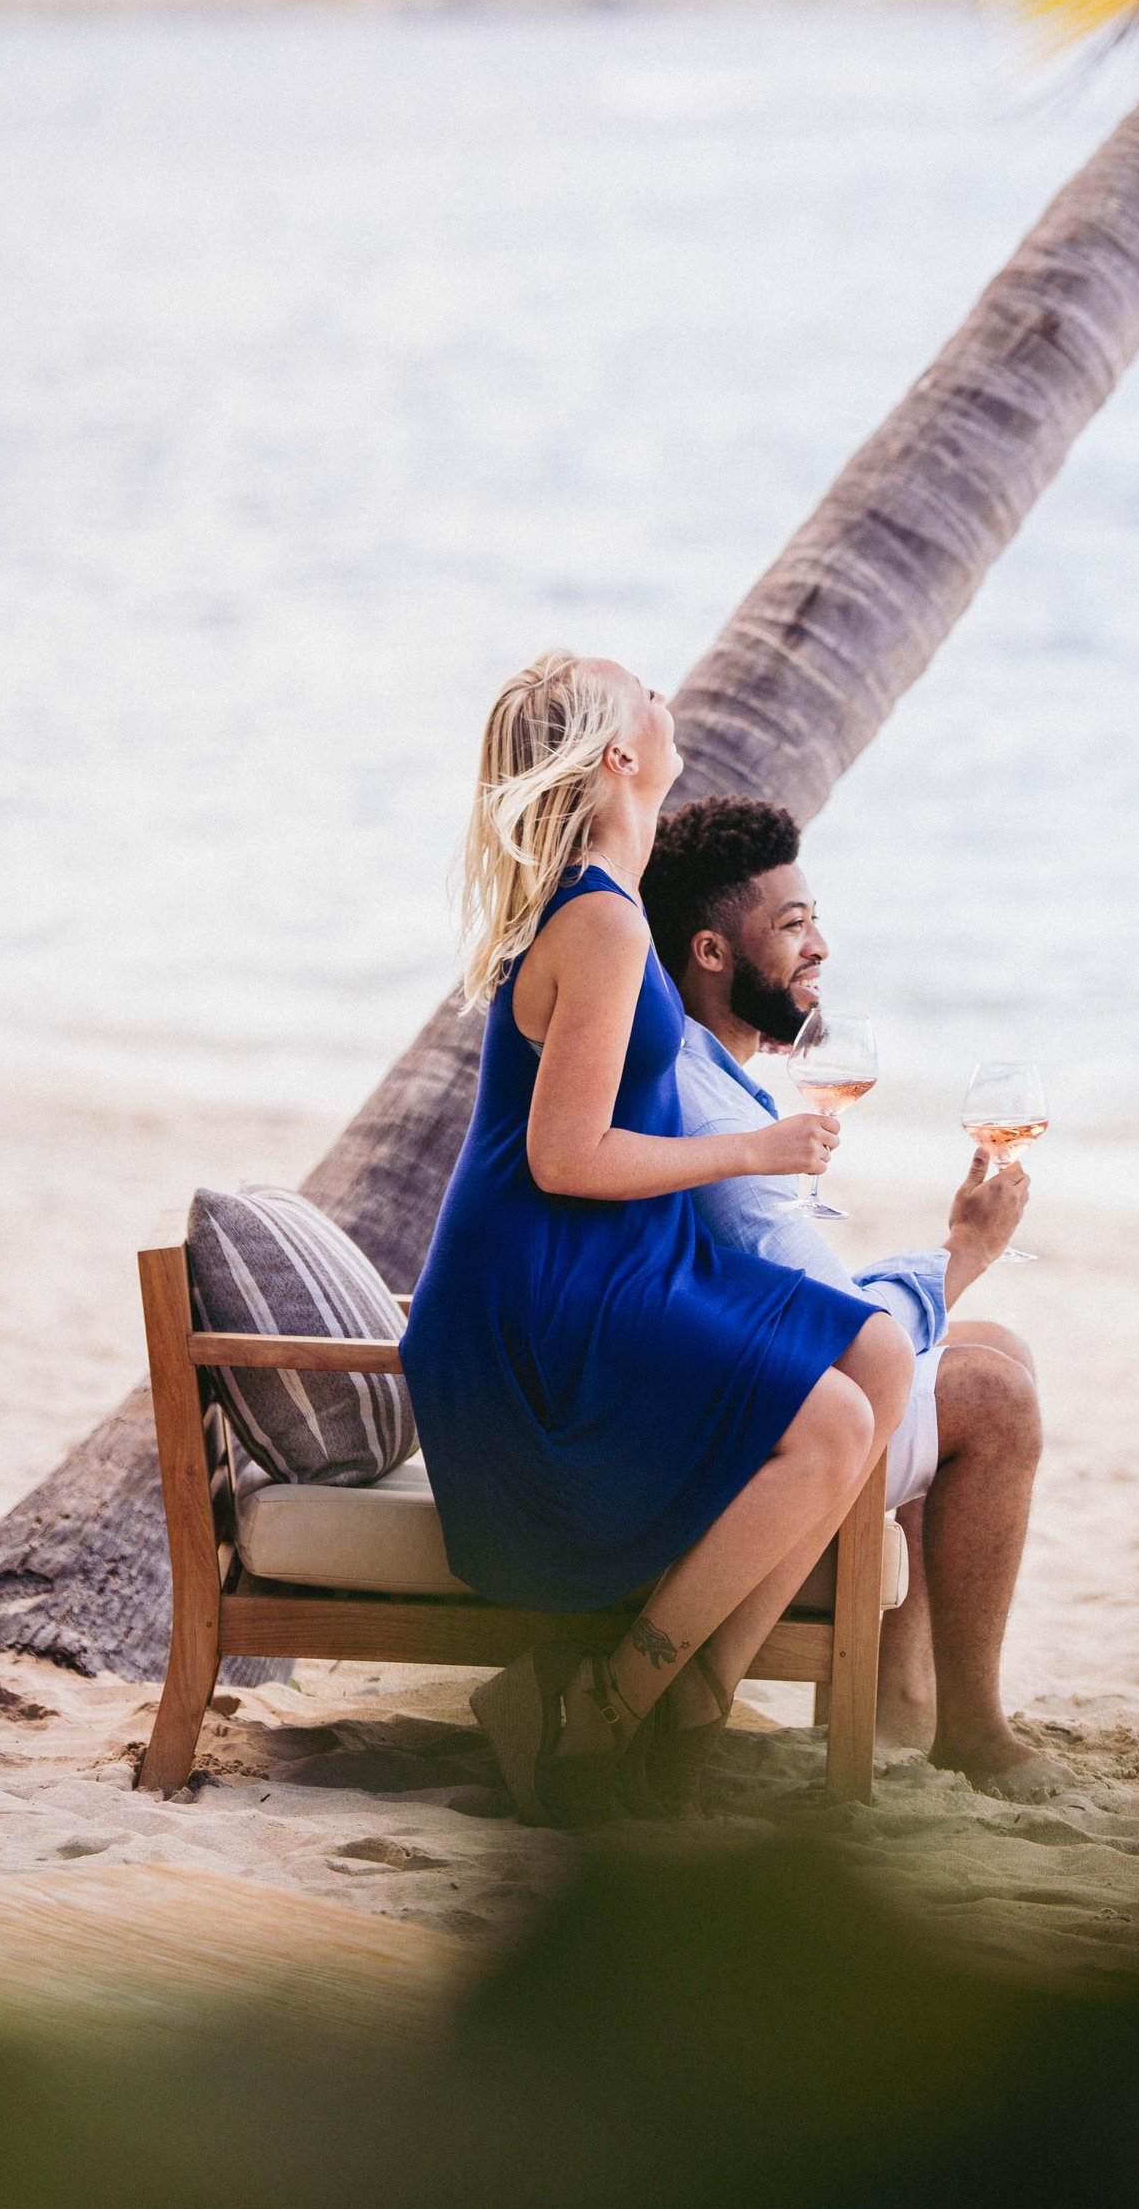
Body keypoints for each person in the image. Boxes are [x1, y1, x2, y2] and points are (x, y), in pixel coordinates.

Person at [401, 653, 912, 1831]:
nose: (665, 693)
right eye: (642, 689)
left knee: (879, 1358)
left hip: (614, 1258)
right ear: (620, 756)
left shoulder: (610, 905)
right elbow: (562, 1158)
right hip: (536, 1294)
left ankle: (701, 1691)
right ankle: (619, 1706)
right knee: (833, 1422)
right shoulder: (597, 921)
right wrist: (755, 1152)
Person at [640, 797, 1057, 1799]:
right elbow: (840, 1332)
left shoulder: (714, 1082)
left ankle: (903, 1699)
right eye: (789, 926)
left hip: (754, 1380)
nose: (818, 945)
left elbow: (809, 1297)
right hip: (767, 1423)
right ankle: (971, 1729)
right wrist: (959, 1256)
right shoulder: (714, 1115)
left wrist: (951, 1270)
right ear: (708, 951)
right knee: (994, 1394)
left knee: (990, 1344)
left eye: (812, 917)